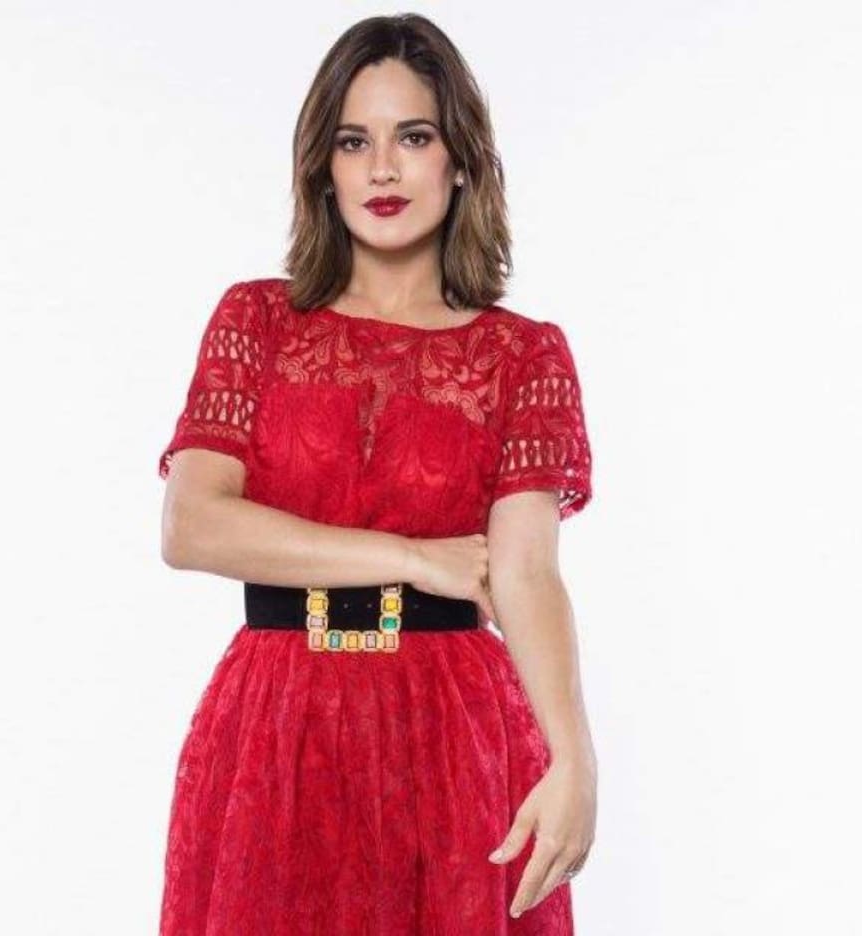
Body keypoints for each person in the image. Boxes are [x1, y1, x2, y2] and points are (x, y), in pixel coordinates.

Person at [155, 13, 597, 935]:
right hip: (274, 725)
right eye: (355, 142)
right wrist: (415, 558)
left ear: (461, 161)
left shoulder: (522, 356)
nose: (383, 169)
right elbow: (193, 526)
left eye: (414, 137)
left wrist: (573, 760)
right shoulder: (256, 322)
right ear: (324, 167)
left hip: (451, 731)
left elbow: (525, 571)